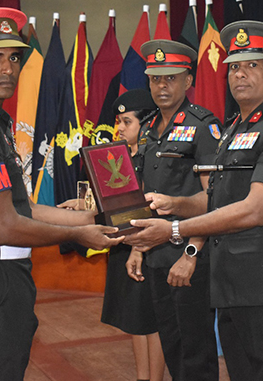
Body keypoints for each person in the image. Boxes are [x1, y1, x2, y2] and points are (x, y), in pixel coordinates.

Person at [0, 7, 123, 381]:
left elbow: (24, 208)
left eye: (14, 58)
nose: (7, 69)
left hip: (0, 275)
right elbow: (5, 226)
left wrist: (91, 218)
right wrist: (77, 234)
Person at [125, 21, 263, 381]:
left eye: (252, 65)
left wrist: (175, 231)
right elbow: (215, 200)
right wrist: (173, 205)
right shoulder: (231, 132)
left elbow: (256, 209)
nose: (240, 74)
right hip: (228, 283)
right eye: (234, 66)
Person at [126, 39, 221, 381]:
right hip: (156, 254)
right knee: (172, 345)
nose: (162, 86)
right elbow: (145, 195)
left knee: (196, 352)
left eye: (171, 78)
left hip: (189, 254)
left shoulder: (203, 126)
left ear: (188, 80)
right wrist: (138, 247)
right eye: (155, 79)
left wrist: (192, 253)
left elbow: (215, 199)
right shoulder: (148, 128)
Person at [101, 89, 166, 381]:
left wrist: (137, 248)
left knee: (152, 320)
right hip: (123, 244)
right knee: (133, 318)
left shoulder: (156, 159)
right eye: (118, 121)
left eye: (127, 121)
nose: (119, 128)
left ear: (147, 123)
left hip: (148, 247)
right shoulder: (122, 159)